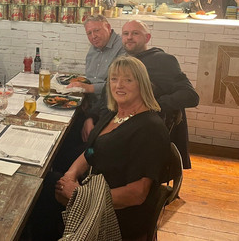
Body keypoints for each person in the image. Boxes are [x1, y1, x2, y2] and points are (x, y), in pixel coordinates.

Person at [33, 56, 170, 240]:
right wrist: (70, 175)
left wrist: (80, 195)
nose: (119, 85)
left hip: (116, 216)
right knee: (44, 183)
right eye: (114, 79)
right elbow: (92, 151)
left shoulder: (150, 129)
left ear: (142, 85)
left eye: (128, 80)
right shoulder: (116, 113)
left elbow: (137, 194)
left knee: (39, 198)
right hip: (94, 190)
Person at [121, 20, 199, 168]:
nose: (129, 37)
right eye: (126, 33)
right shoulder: (123, 61)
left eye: (135, 33)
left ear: (147, 38)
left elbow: (190, 96)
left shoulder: (163, 61)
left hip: (146, 135)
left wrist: (151, 105)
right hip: (125, 125)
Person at [67, 14, 125, 142]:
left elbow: (116, 88)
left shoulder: (122, 47)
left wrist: (87, 89)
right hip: (88, 107)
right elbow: (90, 78)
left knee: (68, 138)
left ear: (108, 27)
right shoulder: (94, 48)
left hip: (107, 112)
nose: (93, 36)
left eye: (97, 30)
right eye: (89, 33)